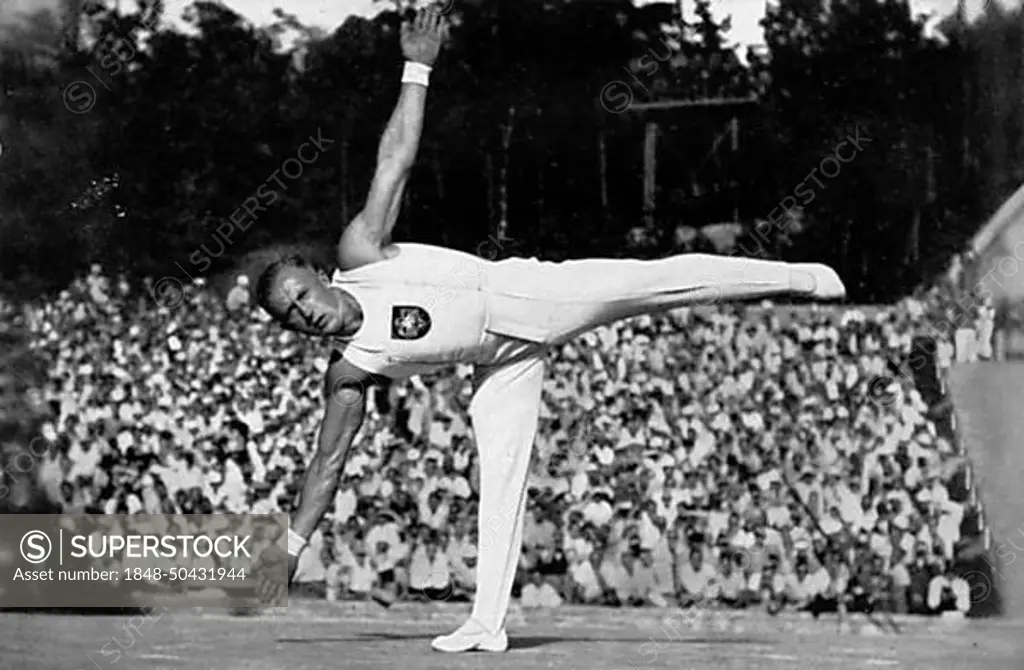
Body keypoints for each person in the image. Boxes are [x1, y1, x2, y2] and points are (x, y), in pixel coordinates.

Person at [251, 7, 847, 654]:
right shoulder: (349, 370)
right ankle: (487, 623)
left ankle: (795, 276)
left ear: (316, 273)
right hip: (499, 363)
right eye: (289, 315)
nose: (303, 312)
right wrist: (290, 547)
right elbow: (327, 466)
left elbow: (395, 160)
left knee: (652, 282)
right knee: (500, 477)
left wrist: (417, 67)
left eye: (299, 295)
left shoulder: (361, 254)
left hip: (522, 294)